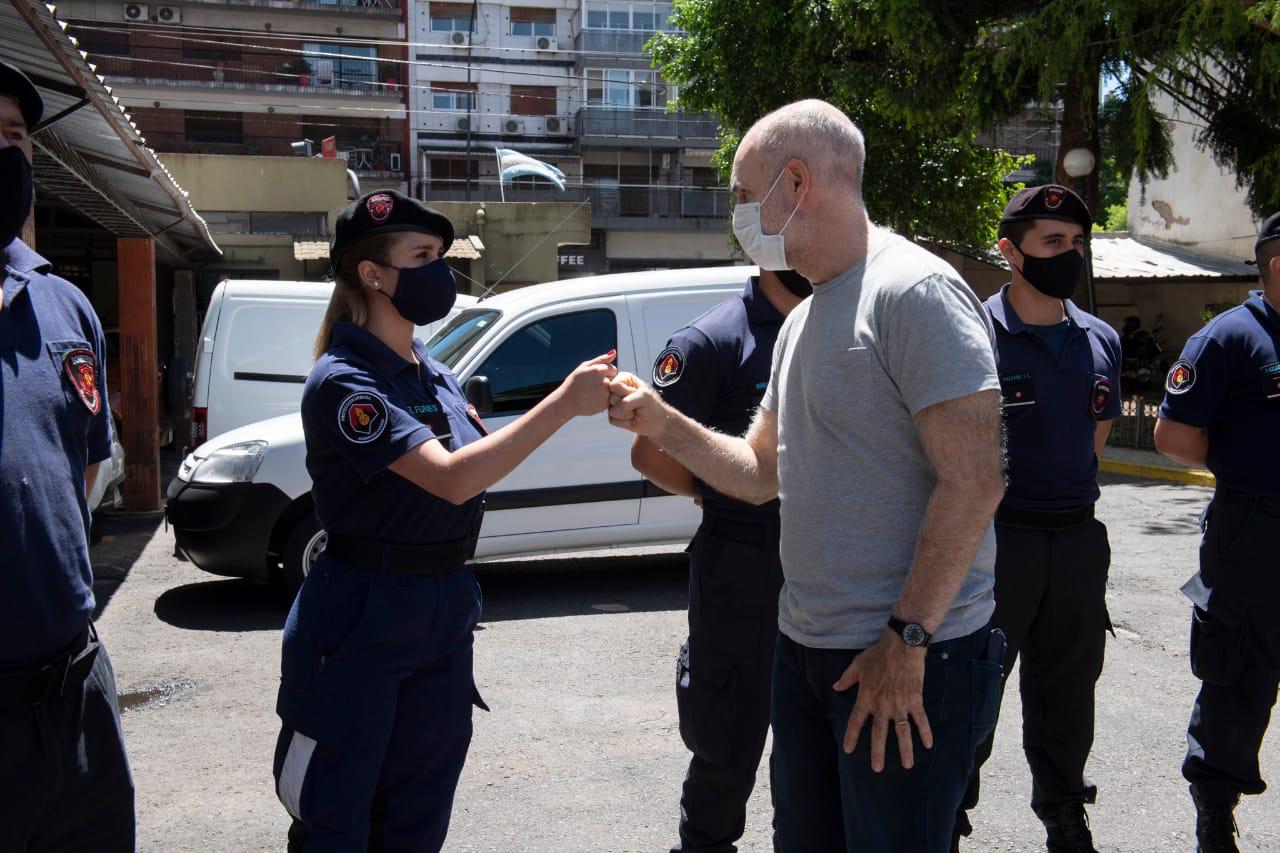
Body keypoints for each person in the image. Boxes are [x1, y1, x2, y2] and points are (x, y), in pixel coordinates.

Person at [607, 99, 1007, 852]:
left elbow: (975, 481)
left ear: (795, 182)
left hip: (905, 657)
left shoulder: (915, 292)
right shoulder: (803, 319)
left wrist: (907, 636)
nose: (738, 213)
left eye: (741, 193)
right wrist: (661, 422)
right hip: (808, 650)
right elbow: (761, 473)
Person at [272, 189, 617, 851]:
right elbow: (455, 478)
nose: (440, 270)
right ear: (372, 274)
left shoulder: (430, 370)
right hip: (362, 617)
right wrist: (563, 402)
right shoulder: (345, 381)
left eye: (440, 255)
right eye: (422, 255)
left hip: (442, 609)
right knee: (336, 818)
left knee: (418, 819)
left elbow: (476, 466)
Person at [955, 185, 1121, 853]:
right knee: (975, 687)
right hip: (999, 540)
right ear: (1009, 251)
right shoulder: (974, 336)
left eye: (1076, 243)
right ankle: (946, 813)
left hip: (1077, 539)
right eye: (1053, 242)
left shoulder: (1099, 336)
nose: (1068, 255)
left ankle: (1064, 813)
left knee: (1069, 690)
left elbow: (1096, 435)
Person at [0, 60, 135, 851]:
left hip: (76, 690)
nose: (3, 153)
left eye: (13, 137)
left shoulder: (64, 303)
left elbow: (83, 466)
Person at [632, 267, 811, 852]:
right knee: (727, 740)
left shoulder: (838, 322)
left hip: (827, 559)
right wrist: (728, 487)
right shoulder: (713, 340)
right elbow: (648, 452)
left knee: (813, 745)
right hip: (743, 562)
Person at [1153, 210, 1280, 853]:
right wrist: (1245, 464)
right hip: (1253, 528)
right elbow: (1172, 436)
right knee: (1239, 674)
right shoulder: (1231, 338)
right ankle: (1214, 806)